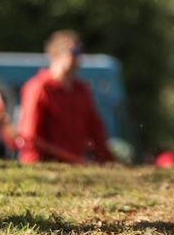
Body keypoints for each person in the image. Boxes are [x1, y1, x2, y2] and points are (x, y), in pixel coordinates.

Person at [16, 31, 114, 164]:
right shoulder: (38, 88)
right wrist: (34, 166)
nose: (78, 58)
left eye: (79, 53)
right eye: (74, 52)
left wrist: (109, 160)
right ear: (56, 55)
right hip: (46, 166)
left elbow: (95, 130)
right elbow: (30, 135)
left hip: (76, 165)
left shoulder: (82, 90)